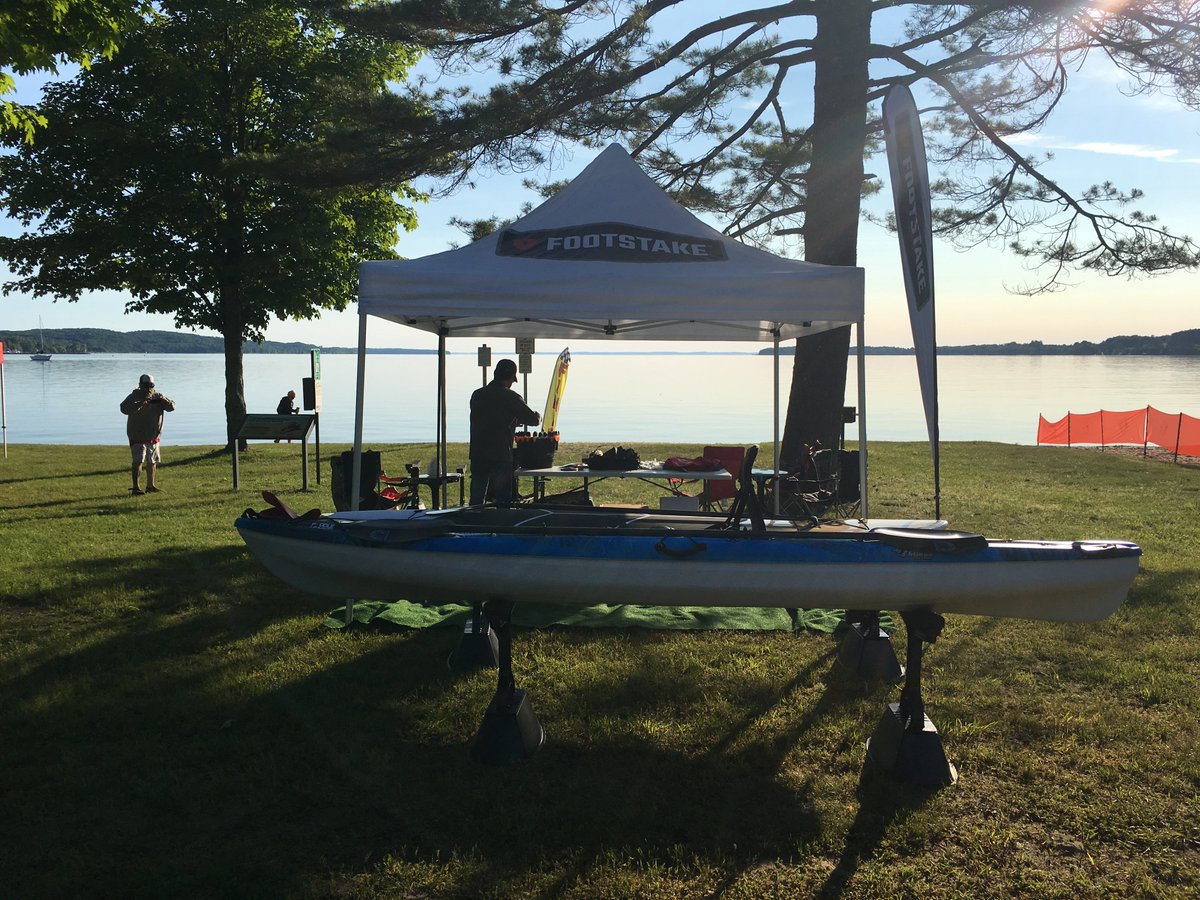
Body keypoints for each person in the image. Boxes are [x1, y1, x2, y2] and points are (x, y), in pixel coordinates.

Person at [469, 358, 540, 505]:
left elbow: (488, 417)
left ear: (495, 374)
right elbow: (532, 420)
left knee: (476, 498)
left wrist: (512, 421)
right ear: (511, 378)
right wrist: (538, 415)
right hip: (500, 453)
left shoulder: (477, 395)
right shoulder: (511, 397)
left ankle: (473, 524)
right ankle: (502, 525)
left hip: (478, 452)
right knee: (503, 499)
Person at [120, 374, 176, 495]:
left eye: (151, 385)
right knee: (138, 461)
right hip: (137, 435)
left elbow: (172, 407)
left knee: (152, 461)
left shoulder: (158, 396)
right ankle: (136, 487)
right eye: (146, 385)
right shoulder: (133, 396)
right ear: (140, 385)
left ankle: (150, 486)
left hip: (154, 437)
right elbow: (123, 409)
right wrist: (139, 404)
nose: (148, 388)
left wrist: (165, 401)